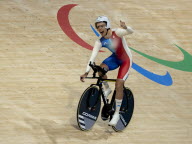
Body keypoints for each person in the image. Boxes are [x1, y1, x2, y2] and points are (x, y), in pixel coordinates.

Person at [80, 16, 133, 126]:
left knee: (119, 84)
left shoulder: (117, 32)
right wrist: (86, 72)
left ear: (107, 25)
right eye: (98, 27)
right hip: (115, 58)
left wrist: (125, 27)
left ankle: (117, 114)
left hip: (126, 61)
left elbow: (130, 32)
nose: (100, 28)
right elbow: (92, 57)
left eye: (102, 26)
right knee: (100, 68)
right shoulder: (100, 41)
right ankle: (107, 88)